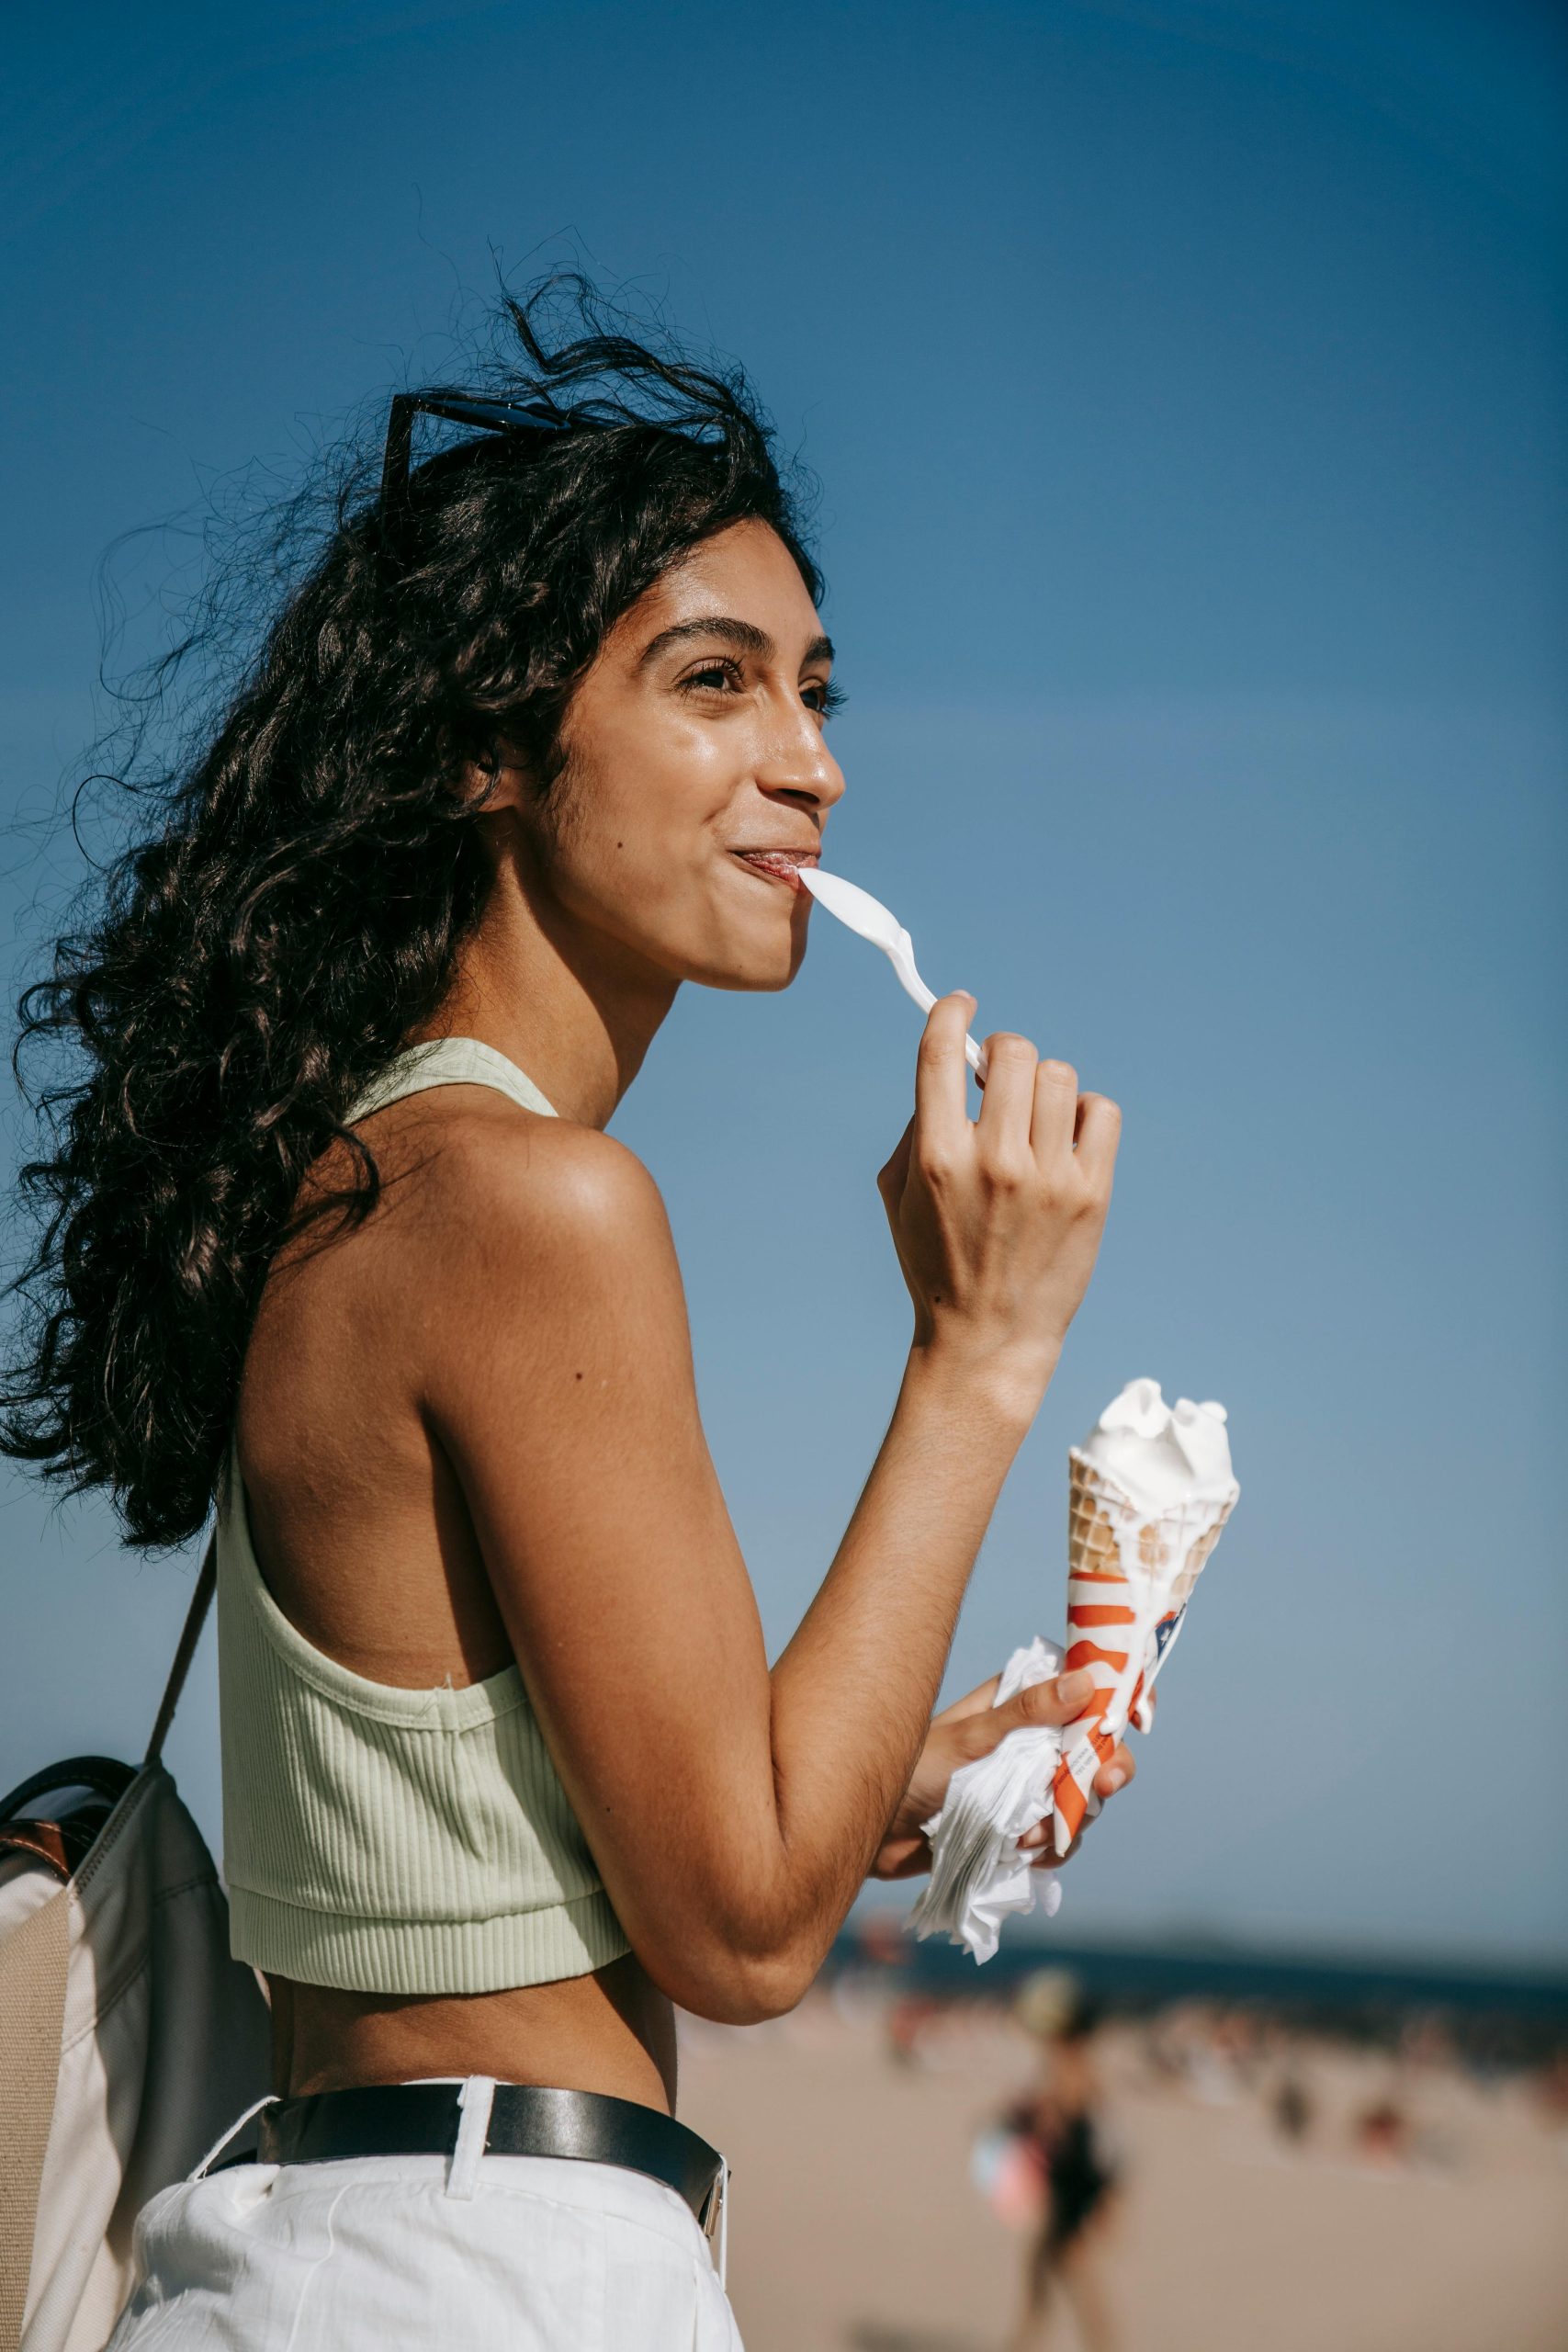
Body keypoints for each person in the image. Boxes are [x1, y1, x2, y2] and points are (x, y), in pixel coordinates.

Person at [3, 282, 1128, 2348]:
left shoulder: (370, 1176)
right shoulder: (536, 1200)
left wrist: (856, 1769)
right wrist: (980, 1350)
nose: (813, 765)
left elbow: (583, 1834)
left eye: (816, 689)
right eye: (717, 683)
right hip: (485, 2263)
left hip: (326, 2246)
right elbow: (739, 1926)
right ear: (490, 752)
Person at [1006, 1972, 1122, 2352]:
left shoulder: (1068, 2063)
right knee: (1047, 2271)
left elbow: (1064, 2120)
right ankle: (1024, 2341)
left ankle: (1032, 2342)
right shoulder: (1081, 2061)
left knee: (1067, 2274)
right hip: (1077, 2180)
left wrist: (1027, 2116)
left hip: (1074, 2182)